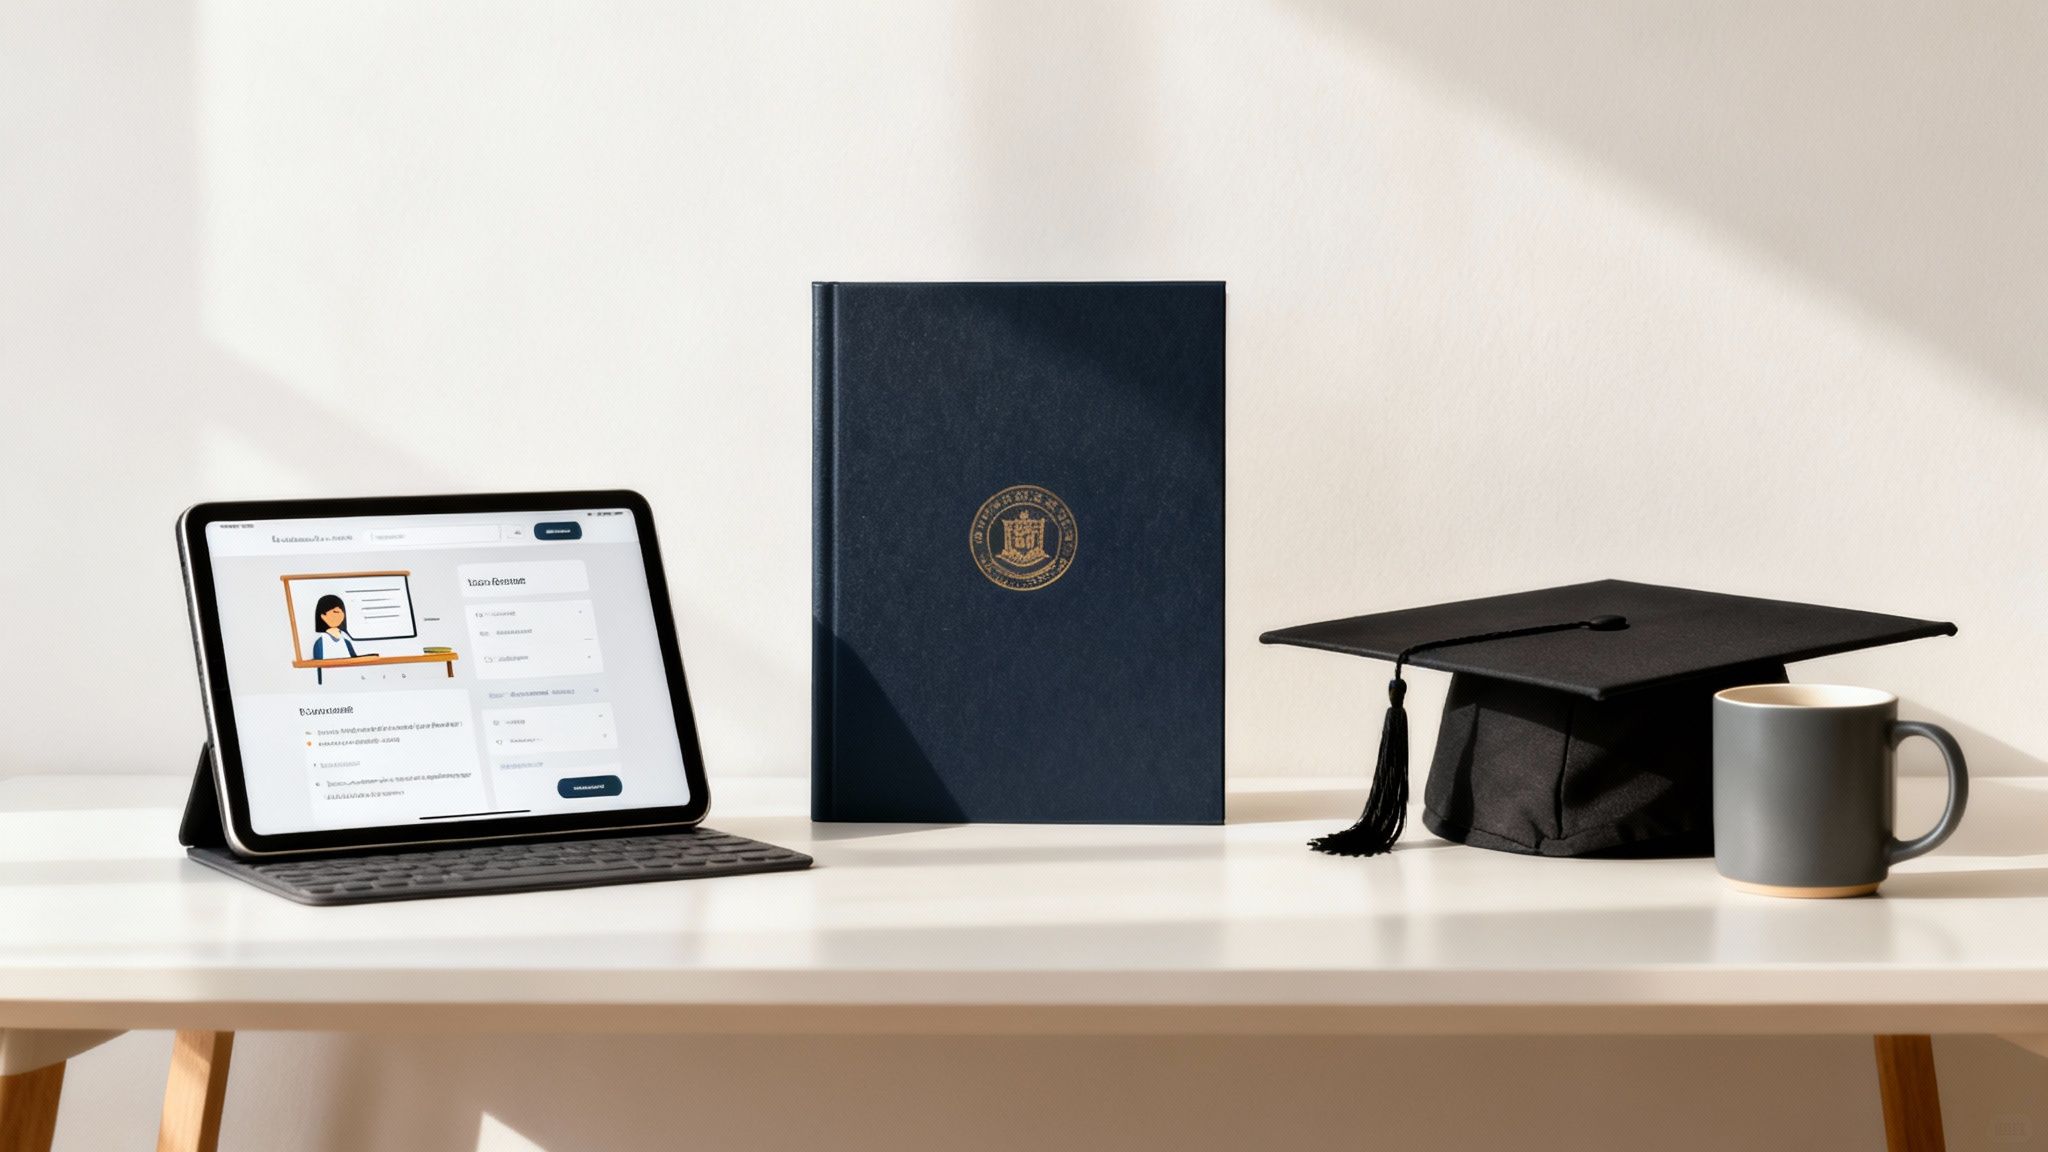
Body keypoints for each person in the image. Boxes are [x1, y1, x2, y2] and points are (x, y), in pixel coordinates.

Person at [309, 594, 372, 684]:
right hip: (330, 683)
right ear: (323, 616)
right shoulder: (320, 643)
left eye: (342, 611)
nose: (341, 615)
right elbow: (318, 669)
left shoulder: (346, 642)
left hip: (351, 681)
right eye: (335, 612)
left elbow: (355, 661)